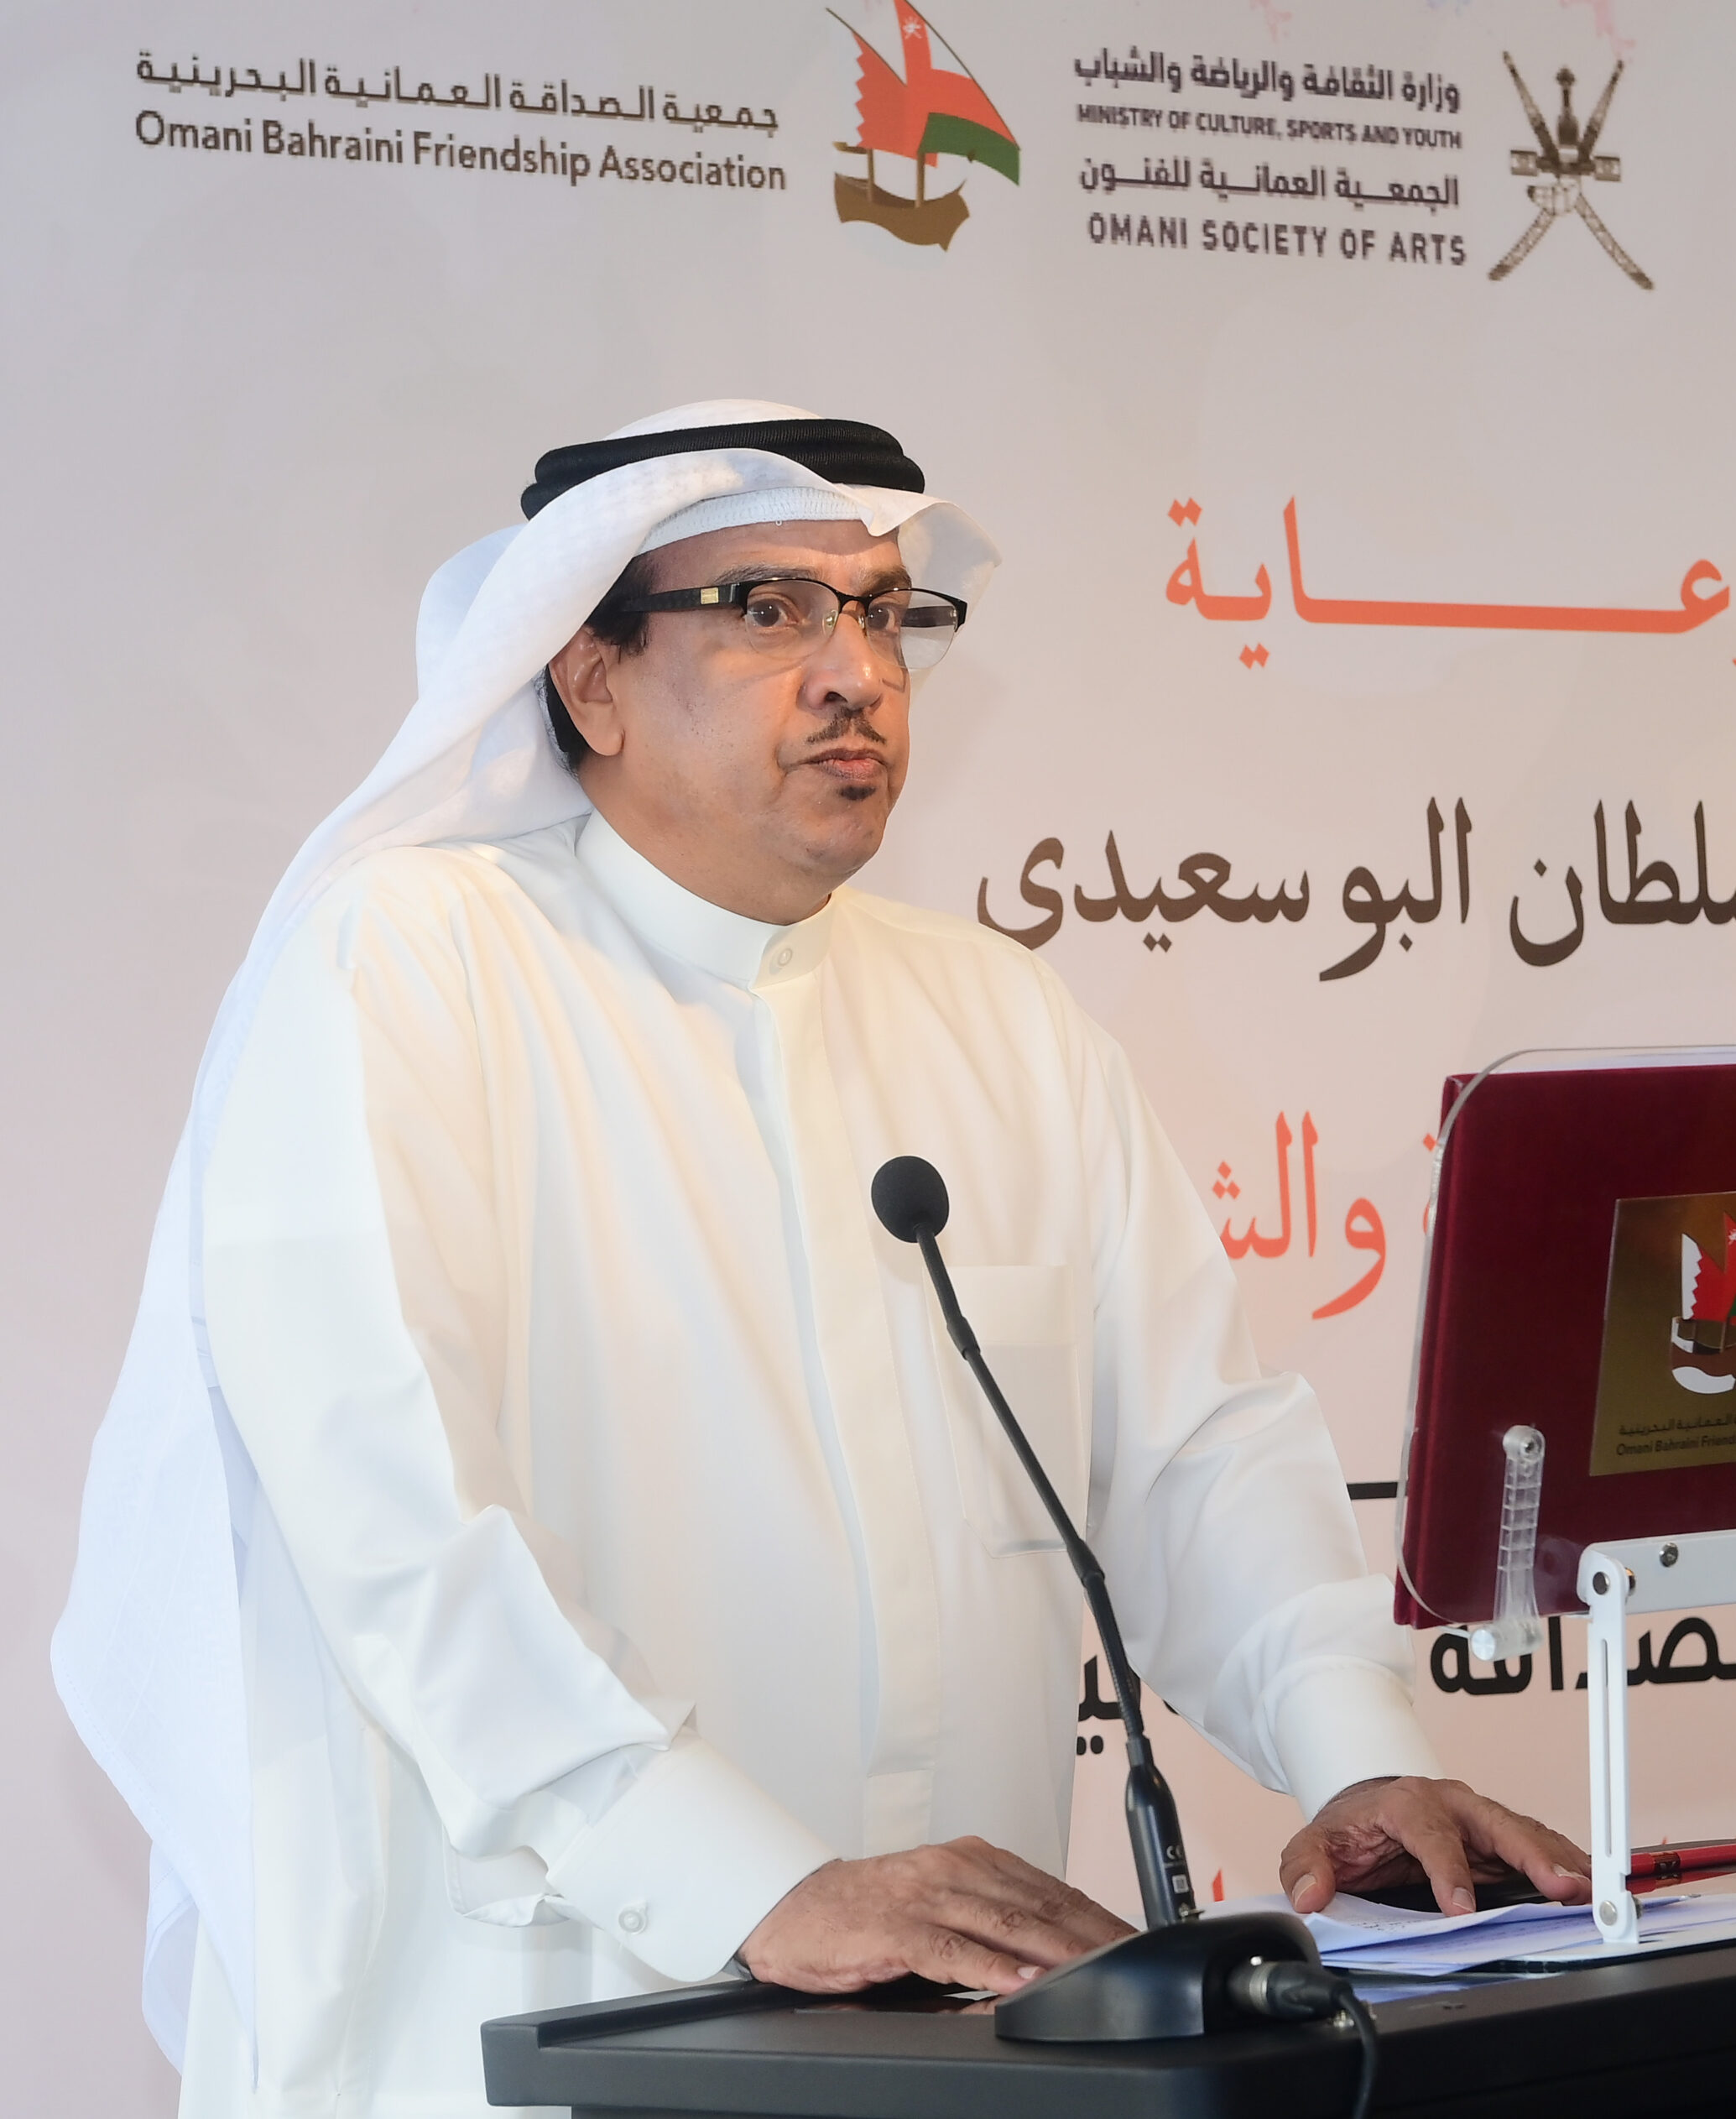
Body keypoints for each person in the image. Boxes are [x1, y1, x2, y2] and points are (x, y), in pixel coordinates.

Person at [55, 402, 1587, 2116]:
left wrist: (1355, 1753)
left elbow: (1196, 1454)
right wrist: (746, 1880)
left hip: (969, 2046)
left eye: (883, 612)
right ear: (590, 677)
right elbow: (390, 1518)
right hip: (543, 2016)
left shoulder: (997, 1017)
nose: (857, 671)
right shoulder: (403, 967)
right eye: (769, 610)